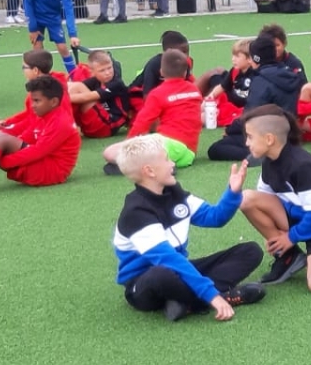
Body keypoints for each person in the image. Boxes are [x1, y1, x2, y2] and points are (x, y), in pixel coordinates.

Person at [109, 135, 265, 322]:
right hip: (144, 284)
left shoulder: (174, 193)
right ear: (149, 171)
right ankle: (220, 297)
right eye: (166, 159)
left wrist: (233, 192)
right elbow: (168, 259)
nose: (172, 163)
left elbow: (214, 217)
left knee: (250, 251)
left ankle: (183, 303)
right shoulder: (136, 212)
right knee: (161, 274)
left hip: (177, 269)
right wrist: (213, 296)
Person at [236, 108, 311, 293]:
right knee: (246, 198)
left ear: (269, 139)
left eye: (250, 137)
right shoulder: (269, 162)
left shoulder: (305, 166)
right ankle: (289, 257)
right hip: (298, 217)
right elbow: (265, 200)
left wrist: (290, 237)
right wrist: (274, 234)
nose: (247, 143)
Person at [113, 49, 203, 171]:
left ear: (161, 71)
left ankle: (159, 167)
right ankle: (164, 165)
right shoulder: (194, 90)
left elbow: (142, 122)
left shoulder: (158, 93)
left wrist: (128, 147)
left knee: (110, 152)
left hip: (166, 148)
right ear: (185, 72)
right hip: (189, 155)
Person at [68, 49, 135, 139]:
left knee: (77, 87)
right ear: (92, 72)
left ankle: (65, 127)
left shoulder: (116, 83)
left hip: (108, 126)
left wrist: (62, 98)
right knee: (71, 86)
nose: (107, 73)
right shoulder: (95, 81)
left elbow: (87, 97)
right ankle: (65, 127)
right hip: (96, 123)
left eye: (109, 68)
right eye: (102, 70)